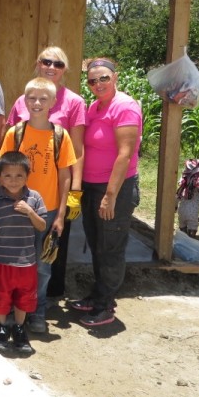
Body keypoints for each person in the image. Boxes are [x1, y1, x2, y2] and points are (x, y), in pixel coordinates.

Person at [7, 47, 86, 308]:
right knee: (16, 255)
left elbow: (76, 148)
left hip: (52, 197)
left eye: (58, 63)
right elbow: (8, 151)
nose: (51, 66)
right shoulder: (22, 100)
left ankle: (43, 304)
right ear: (37, 64)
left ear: (65, 69)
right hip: (20, 196)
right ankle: (17, 305)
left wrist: (74, 191)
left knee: (48, 254)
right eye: (46, 61)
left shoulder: (74, 102)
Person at [68, 58, 141, 327]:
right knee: (97, 244)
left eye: (103, 78)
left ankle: (105, 306)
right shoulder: (95, 107)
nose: (98, 84)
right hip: (91, 186)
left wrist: (110, 195)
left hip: (115, 189)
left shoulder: (125, 107)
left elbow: (125, 155)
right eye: (92, 80)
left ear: (115, 77)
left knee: (110, 247)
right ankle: (98, 295)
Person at [0, 78, 76, 333]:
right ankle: (10, 308)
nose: (37, 103)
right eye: (32, 98)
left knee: (42, 266)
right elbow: (3, 169)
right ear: (24, 100)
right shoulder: (15, 133)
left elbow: (65, 175)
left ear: (54, 102)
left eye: (44, 98)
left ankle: (37, 311)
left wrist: (61, 214)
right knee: (13, 263)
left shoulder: (60, 135)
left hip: (49, 209)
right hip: (16, 209)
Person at [0, 151, 47, 354]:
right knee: (1, 297)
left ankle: (19, 328)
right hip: (2, 261)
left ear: (27, 176)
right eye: (7, 176)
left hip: (27, 261)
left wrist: (30, 212)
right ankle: (2, 327)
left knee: (24, 297)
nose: (13, 181)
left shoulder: (34, 198)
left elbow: (42, 226)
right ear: (0, 177)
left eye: (19, 175)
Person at [176, 152, 199, 238]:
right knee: (191, 220)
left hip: (185, 199)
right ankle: (190, 238)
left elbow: (182, 181)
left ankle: (184, 236)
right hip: (192, 202)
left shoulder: (190, 167)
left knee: (182, 218)